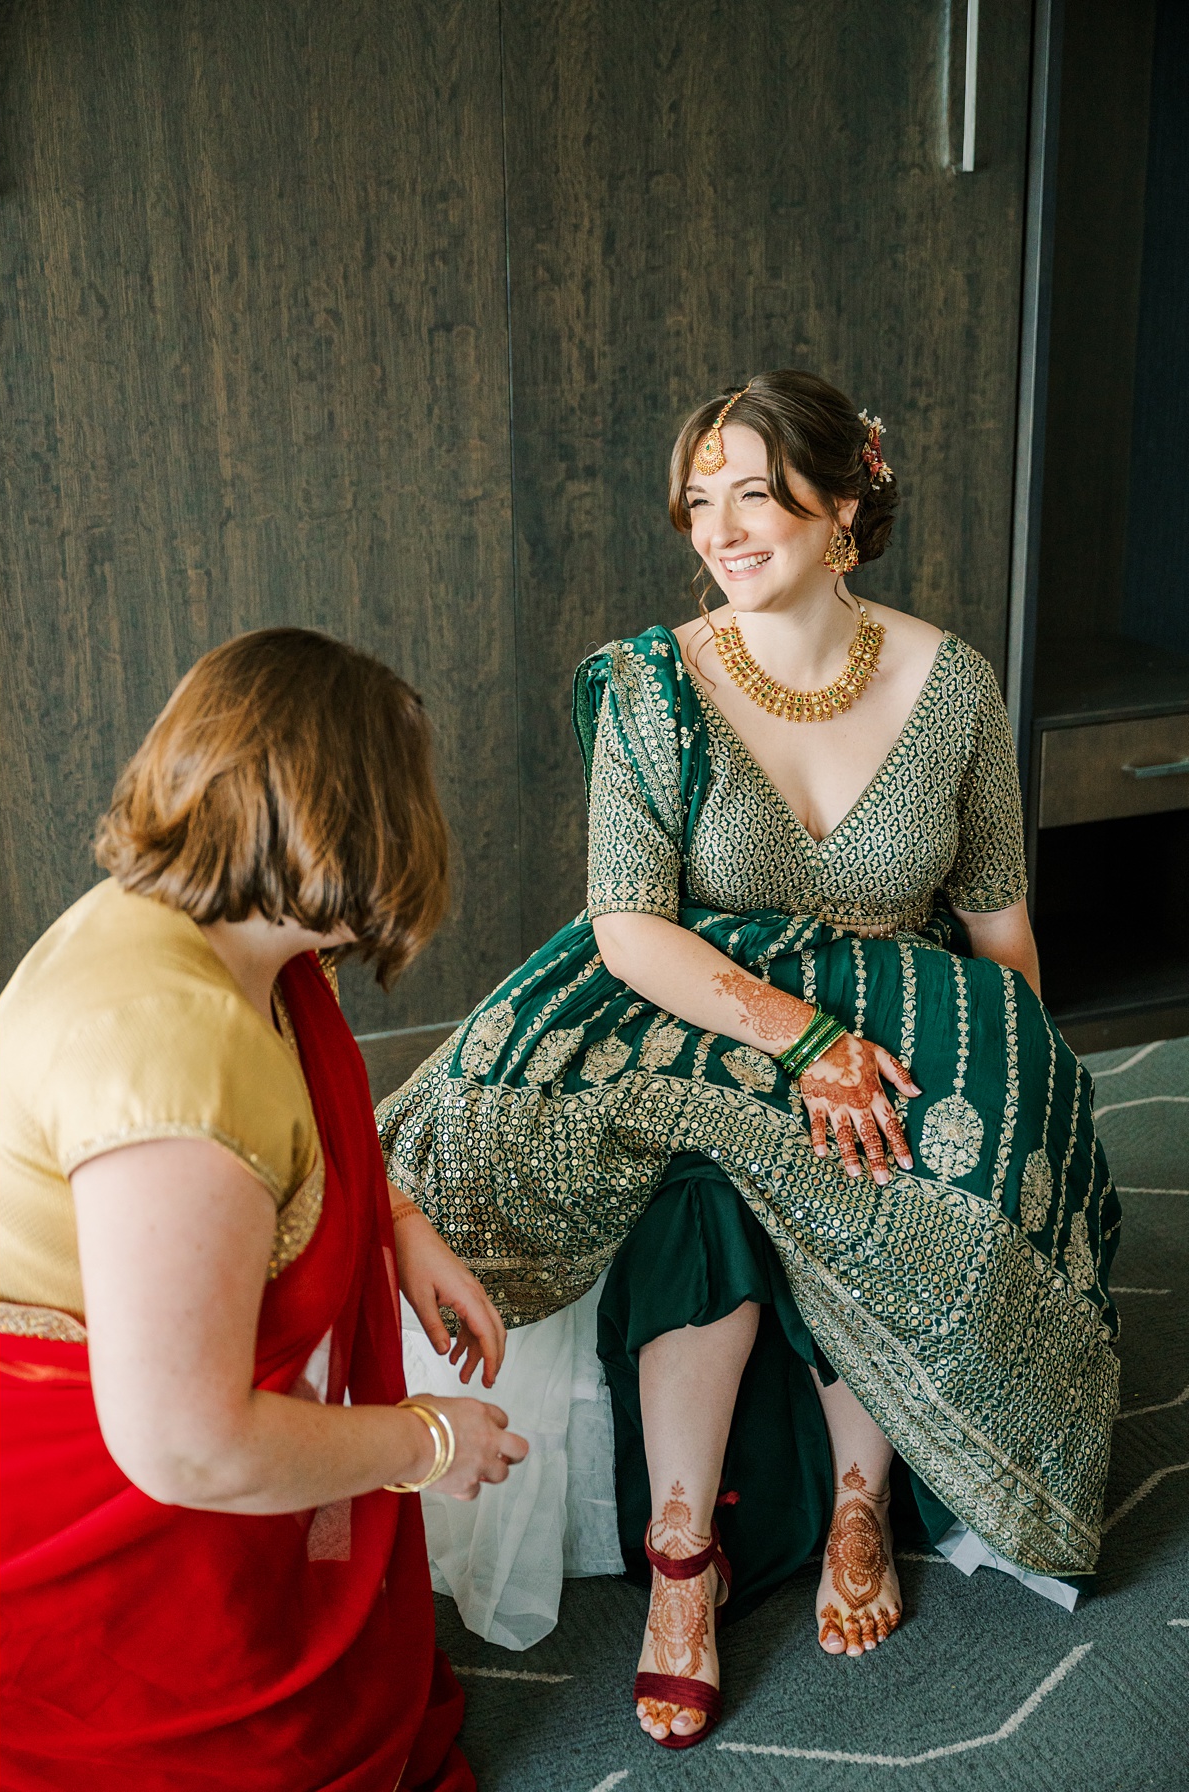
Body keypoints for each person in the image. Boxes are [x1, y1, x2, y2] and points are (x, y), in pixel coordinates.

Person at [377, 370, 1119, 1749]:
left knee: (908, 1144)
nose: (718, 529)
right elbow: (627, 927)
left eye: (753, 495)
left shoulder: (952, 684)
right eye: (697, 501)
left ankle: (860, 1500)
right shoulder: (650, 682)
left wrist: (996, 1084)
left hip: (895, 1017)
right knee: (701, 1185)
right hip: (698, 1013)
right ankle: (681, 1556)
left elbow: (1003, 932)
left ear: (844, 505)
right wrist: (800, 1039)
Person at [0, 629, 529, 1791]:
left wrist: (400, 1230)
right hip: (119, 1552)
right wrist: (429, 1442)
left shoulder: (242, 941)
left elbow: (306, 1114)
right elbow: (189, 1442)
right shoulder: (168, 1052)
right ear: (345, 817)